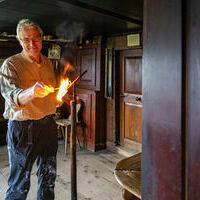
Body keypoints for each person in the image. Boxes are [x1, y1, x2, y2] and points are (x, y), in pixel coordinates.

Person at [0, 19, 58, 200]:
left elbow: (51, 93)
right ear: (19, 40)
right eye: (26, 39)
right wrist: (31, 92)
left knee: (48, 177)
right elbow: (12, 96)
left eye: (35, 38)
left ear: (41, 38)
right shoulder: (11, 64)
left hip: (48, 125)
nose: (32, 44)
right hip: (23, 128)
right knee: (20, 183)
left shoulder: (48, 63)